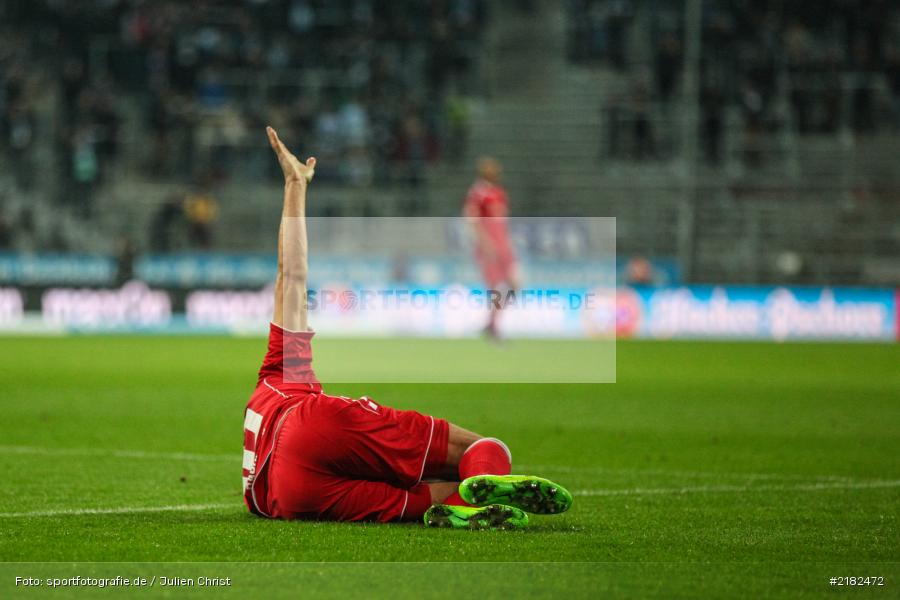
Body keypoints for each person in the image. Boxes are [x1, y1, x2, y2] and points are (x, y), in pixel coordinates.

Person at [242, 128, 572, 529]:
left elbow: (285, 277)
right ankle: (486, 475)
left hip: (287, 495)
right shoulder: (278, 375)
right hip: (314, 423)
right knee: (484, 447)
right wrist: (295, 186)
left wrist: (295, 183)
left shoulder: (275, 385)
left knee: (416, 501)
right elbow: (289, 275)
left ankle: (465, 501)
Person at [463, 157, 520, 340]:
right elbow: (472, 219)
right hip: (490, 247)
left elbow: (502, 223)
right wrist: (485, 243)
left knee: (515, 283)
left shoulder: (498, 192)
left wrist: (508, 243)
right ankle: (493, 326)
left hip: (503, 245)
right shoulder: (478, 193)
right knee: (496, 286)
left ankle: (491, 321)